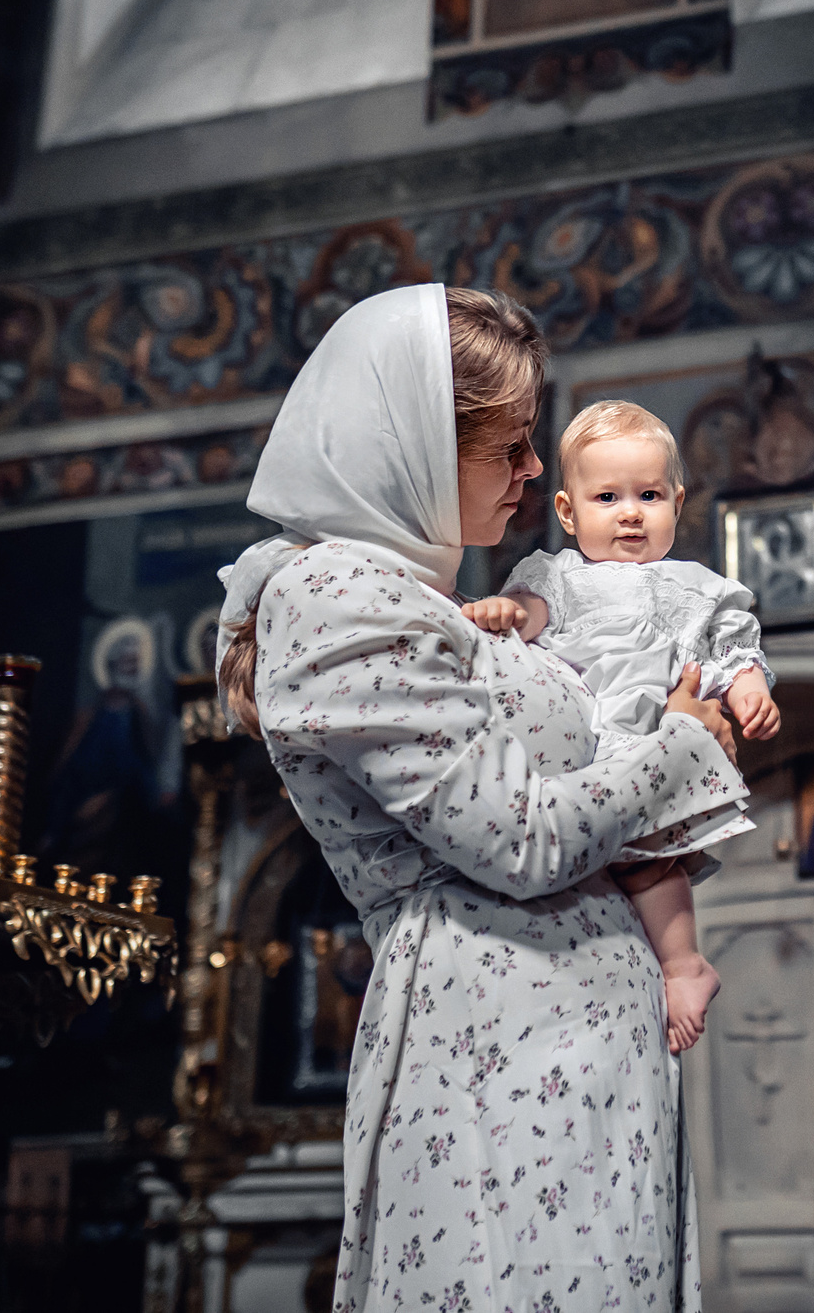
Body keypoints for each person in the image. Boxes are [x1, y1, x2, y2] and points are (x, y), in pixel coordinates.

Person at [216, 284, 750, 1312]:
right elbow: (519, 838)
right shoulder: (334, 599)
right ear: (414, 440)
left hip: (574, 1031)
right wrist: (684, 744)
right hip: (497, 1032)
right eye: (509, 445)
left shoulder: (422, 598)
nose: (535, 469)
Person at [460, 400, 782, 1053]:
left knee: (653, 866)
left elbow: (731, 651)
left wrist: (749, 692)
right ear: (568, 511)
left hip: (647, 747)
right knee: (604, 873)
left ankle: (685, 964)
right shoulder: (557, 575)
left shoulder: (692, 587)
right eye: (608, 496)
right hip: (582, 759)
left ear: (677, 501)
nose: (631, 511)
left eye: (650, 494)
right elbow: (530, 614)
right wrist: (504, 613)